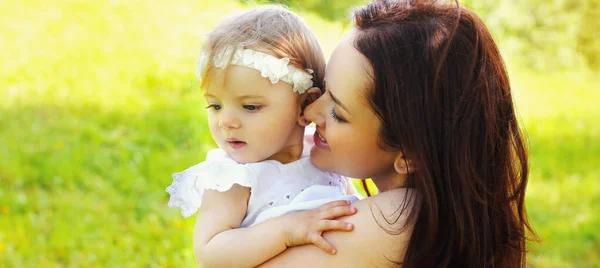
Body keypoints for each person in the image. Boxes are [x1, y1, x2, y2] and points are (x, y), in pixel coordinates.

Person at [259, 0, 536, 267]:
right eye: (322, 89)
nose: (307, 113)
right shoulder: (445, 218)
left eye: (338, 113)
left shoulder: (396, 219)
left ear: (410, 154)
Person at [165, 6, 360, 268]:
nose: (226, 122)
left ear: (305, 105)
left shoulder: (323, 153)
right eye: (215, 106)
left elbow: (352, 206)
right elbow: (210, 254)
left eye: (250, 107)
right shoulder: (234, 177)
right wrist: (286, 231)